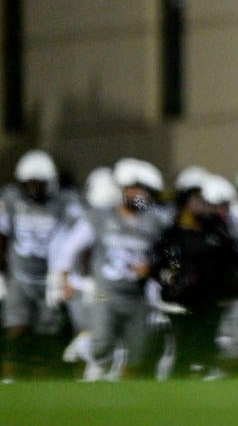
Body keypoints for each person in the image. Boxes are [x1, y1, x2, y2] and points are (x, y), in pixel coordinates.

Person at [54, 158, 172, 380]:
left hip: (137, 295)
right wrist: (65, 280)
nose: (138, 194)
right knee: (102, 342)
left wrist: (155, 268)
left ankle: (121, 392)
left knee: (139, 352)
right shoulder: (100, 216)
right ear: (122, 189)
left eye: (142, 189)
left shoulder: (154, 221)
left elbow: (170, 254)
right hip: (104, 292)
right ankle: (89, 352)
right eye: (133, 188)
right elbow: (68, 248)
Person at [150, 174, 238, 378]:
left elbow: (232, 261)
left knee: (206, 348)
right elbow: (164, 261)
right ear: (185, 202)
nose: (203, 205)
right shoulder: (173, 234)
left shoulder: (216, 232)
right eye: (197, 200)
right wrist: (173, 277)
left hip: (209, 300)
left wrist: (234, 287)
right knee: (181, 349)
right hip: (179, 302)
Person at [0, 150, 80, 380]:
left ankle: (42, 381)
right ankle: (10, 379)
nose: (33, 189)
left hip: (49, 279)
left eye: (38, 184)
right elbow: (2, 235)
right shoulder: (11, 199)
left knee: (47, 335)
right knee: (15, 330)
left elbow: (77, 238)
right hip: (20, 275)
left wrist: (68, 276)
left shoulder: (65, 202)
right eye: (29, 183)